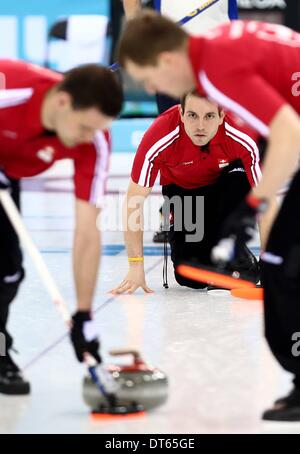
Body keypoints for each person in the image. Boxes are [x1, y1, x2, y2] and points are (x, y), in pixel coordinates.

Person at [117, 11, 300, 420]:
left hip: (249, 170)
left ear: (165, 59)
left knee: (284, 275)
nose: (149, 88)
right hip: (186, 194)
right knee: (271, 272)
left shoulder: (216, 73)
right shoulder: (217, 49)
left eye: (147, 77)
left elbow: (289, 135)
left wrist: (256, 205)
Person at [0, 59, 123, 395]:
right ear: (62, 102)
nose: (89, 137)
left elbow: (87, 232)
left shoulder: (94, 141)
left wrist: (84, 314)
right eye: (84, 128)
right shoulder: (9, 88)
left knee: (7, 273)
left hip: (7, 171)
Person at [111, 92, 265, 295]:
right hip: (185, 192)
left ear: (221, 116)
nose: (200, 126)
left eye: (209, 116)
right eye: (192, 115)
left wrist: (269, 261)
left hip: (227, 185)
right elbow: (134, 200)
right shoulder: (160, 134)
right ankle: (217, 257)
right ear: (181, 113)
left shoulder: (241, 134)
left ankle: (240, 256)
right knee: (188, 275)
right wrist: (135, 266)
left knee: (239, 184)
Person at [123, 0, 239, 243]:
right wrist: (136, 30)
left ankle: (227, 219)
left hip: (219, 46)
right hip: (168, 50)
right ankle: (177, 214)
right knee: (177, 135)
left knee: (221, 131)